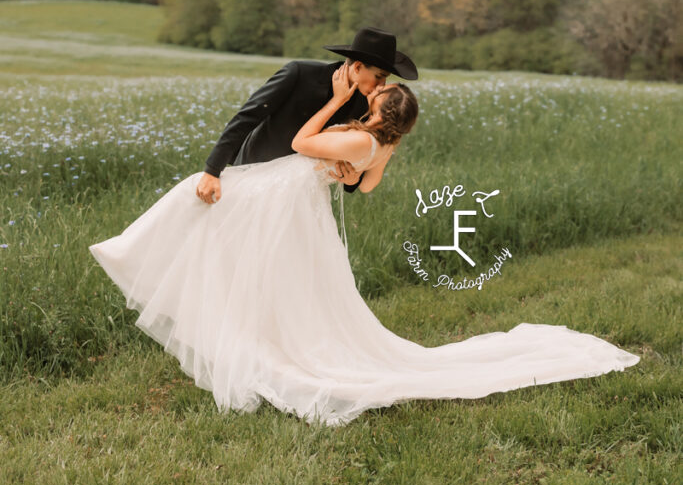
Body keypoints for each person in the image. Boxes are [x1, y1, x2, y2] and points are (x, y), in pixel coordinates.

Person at [89, 66, 639, 428]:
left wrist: (332, 103)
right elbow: (363, 184)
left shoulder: (360, 137)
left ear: (380, 111)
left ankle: (132, 258)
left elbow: (304, 143)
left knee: (193, 207)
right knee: (239, 250)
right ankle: (170, 283)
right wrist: (349, 169)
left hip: (282, 196)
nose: (369, 94)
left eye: (375, 95)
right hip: (297, 202)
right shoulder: (383, 148)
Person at [195, 25, 418, 203]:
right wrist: (213, 171)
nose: (382, 85)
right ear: (358, 67)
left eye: (385, 78)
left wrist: (352, 179)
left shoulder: (366, 104)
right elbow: (247, 117)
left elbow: (351, 158)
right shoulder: (300, 73)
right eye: (379, 76)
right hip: (255, 170)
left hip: (300, 193)